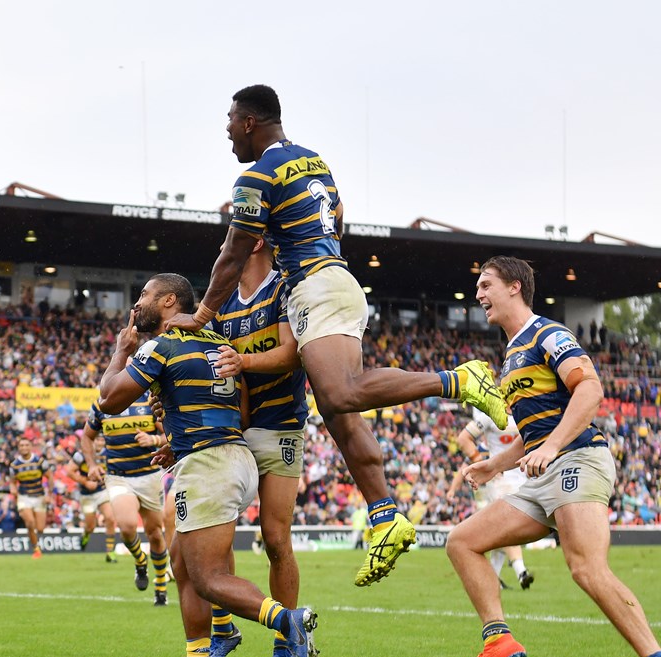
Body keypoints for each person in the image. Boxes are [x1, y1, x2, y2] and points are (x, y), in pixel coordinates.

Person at [164, 84, 507, 588]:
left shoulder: (256, 176)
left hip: (317, 286)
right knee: (337, 410)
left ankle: (457, 380)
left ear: (249, 122)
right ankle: (385, 515)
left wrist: (201, 314)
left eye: (230, 121)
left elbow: (232, 253)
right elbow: (338, 217)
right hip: (330, 277)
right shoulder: (313, 162)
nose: (228, 132)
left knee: (342, 393)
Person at [447, 256, 661, 657]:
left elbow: (590, 389)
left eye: (485, 284)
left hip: (578, 459)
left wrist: (553, 446)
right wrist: (496, 464)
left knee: (586, 568)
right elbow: (534, 431)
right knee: (462, 542)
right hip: (545, 473)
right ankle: (498, 643)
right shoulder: (512, 354)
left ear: (515, 287)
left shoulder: (547, 333)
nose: (478, 294)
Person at [98, 273, 318, 657]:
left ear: (169, 301)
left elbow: (109, 399)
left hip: (208, 466)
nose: (137, 302)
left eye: (144, 294)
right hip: (235, 457)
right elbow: (243, 411)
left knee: (207, 577)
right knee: (181, 561)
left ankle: (287, 621)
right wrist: (176, 433)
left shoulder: (160, 346)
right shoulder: (220, 343)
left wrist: (122, 350)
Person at [205, 238, 308, 657]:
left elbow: (292, 353)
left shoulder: (286, 287)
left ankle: (286, 639)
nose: (225, 239)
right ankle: (222, 628)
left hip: (281, 424)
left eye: (234, 230)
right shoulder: (221, 302)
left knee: (275, 538)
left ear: (258, 239)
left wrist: (242, 361)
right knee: (213, 534)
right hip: (236, 427)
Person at [80, 391, 169, 604]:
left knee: (155, 534)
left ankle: (160, 585)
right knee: (127, 527)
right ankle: (140, 559)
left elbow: (171, 434)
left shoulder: (150, 400)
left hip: (149, 476)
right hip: (118, 477)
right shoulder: (102, 404)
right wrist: (91, 465)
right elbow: (86, 437)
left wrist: (154, 439)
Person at [446, 407, 535, 590]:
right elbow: (463, 443)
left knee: (500, 534)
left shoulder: (525, 409)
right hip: (499, 484)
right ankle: (521, 571)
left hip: (525, 481)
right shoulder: (489, 419)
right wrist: (483, 465)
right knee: (508, 529)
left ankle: (493, 579)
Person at [65, 446, 116, 558]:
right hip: (86, 495)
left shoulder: (109, 452)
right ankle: (86, 535)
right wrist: (85, 482)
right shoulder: (81, 454)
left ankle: (110, 551)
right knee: (90, 526)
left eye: (101, 440)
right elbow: (69, 471)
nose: (99, 443)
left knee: (110, 518)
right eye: (97, 440)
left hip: (103, 491)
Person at [9, 437, 49, 559]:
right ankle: (36, 548)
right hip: (24, 496)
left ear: (31, 447)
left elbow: (50, 477)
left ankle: (36, 543)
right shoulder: (14, 465)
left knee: (40, 528)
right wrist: (13, 489)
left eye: (26, 445)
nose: (24, 447)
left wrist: (49, 494)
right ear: (18, 448)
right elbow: (12, 482)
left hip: (39, 496)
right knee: (30, 522)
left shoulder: (39, 461)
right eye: (21, 445)